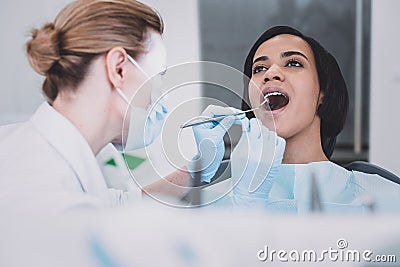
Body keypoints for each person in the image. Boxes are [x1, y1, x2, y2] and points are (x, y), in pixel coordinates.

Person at [0, 0, 240, 213]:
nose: (159, 97)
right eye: (157, 77)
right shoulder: (42, 191)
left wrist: (195, 169)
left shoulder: (42, 151)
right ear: (119, 69)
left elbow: (120, 208)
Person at [229, 25, 400, 213]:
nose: (270, 74)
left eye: (293, 63)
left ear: (323, 93)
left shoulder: (384, 198)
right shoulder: (216, 199)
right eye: (259, 68)